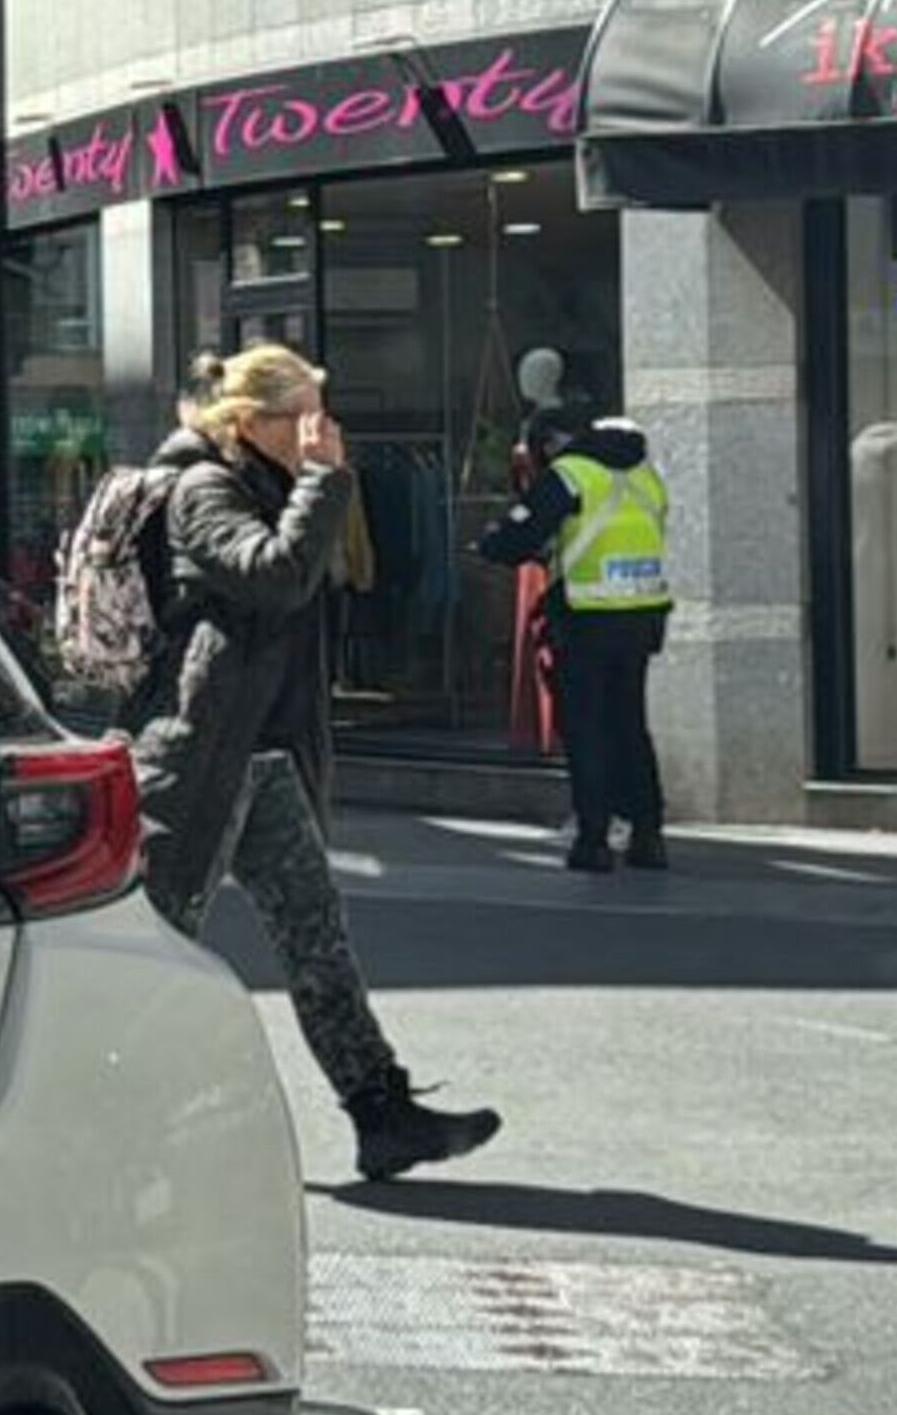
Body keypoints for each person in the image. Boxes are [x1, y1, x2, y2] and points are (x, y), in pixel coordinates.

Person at [138, 345, 501, 1182]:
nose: (323, 431)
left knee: (317, 938)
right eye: (304, 415)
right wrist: (322, 482)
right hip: (204, 757)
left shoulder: (272, 483)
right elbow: (277, 577)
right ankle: (117, 1123)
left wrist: (313, 485)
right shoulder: (202, 489)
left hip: (262, 756)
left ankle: (383, 1112)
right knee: (163, 948)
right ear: (251, 421)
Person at [483, 414, 673, 872]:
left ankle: (594, 838)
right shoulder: (644, 473)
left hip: (587, 616)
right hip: (643, 614)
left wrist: (492, 542)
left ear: (548, 444)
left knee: (586, 727)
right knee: (630, 724)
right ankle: (648, 835)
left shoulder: (569, 475)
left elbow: (518, 535)